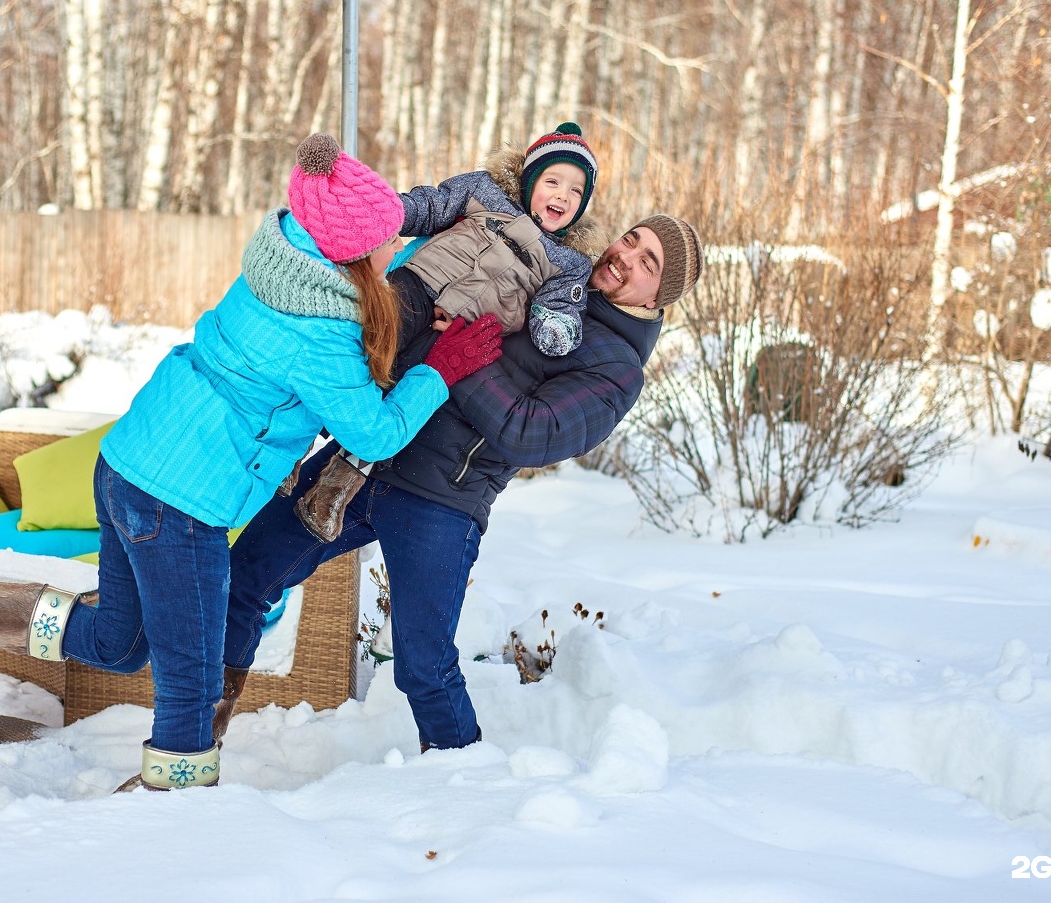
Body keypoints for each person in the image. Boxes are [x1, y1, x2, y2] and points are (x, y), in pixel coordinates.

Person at [0, 133, 504, 792]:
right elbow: (377, 435)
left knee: (119, 644)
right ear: (350, 252)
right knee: (191, 688)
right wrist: (441, 367)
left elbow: (350, 307)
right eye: (387, 238)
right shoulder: (318, 333)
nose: (396, 245)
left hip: (127, 462)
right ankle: (173, 810)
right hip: (180, 504)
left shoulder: (284, 260)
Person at [216, 214, 704, 753]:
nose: (626, 257)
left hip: (441, 501)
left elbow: (529, 432)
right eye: (631, 240)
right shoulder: (549, 273)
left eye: (647, 263)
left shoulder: (617, 368)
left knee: (423, 666)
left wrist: (456, 357)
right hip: (364, 459)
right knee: (244, 578)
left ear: (660, 294)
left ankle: (462, 781)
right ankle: (195, 742)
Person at [293, 122, 607, 540]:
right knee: (360, 354)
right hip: (416, 287)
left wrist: (556, 326)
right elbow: (432, 206)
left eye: (575, 190)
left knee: (408, 397)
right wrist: (387, 212)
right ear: (530, 180)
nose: (562, 195)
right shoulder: (486, 191)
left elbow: (558, 310)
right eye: (552, 181)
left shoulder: (569, 263)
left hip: (456, 334)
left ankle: (335, 487)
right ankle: (292, 446)